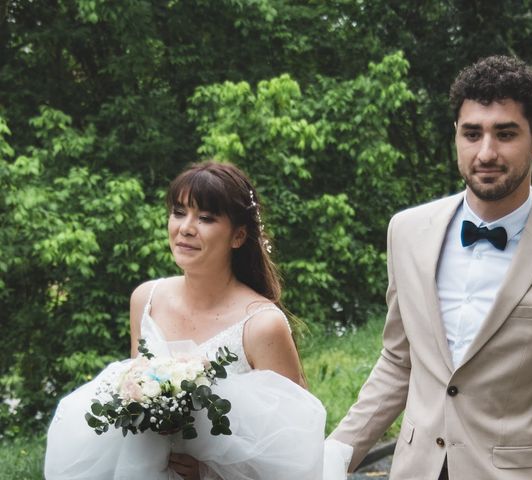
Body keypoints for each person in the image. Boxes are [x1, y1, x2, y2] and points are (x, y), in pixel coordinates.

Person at [329, 55, 532, 479]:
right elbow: (400, 361)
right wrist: (333, 456)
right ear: (456, 134)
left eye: (505, 134)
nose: (486, 152)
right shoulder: (407, 232)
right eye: (472, 133)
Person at [45, 161, 352, 479]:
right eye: (179, 212)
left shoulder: (261, 325)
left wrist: (209, 473)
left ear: (238, 236)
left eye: (205, 218)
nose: (186, 227)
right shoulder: (146, 300)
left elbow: (295, 453)